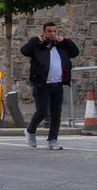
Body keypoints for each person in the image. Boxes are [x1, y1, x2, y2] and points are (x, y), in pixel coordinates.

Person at [19, 21, 80, 150]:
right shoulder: (38, 45)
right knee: (42, 111)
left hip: (57, 83)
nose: (52, 34)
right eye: (49, 31)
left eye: (54, 31)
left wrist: (66, 40)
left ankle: (53, 139)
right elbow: (24, 50)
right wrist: (35, 40)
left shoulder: (61, 45)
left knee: (56, 113)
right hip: (42, 84)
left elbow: (75, 52)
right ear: (44, 32)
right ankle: (30, 131)